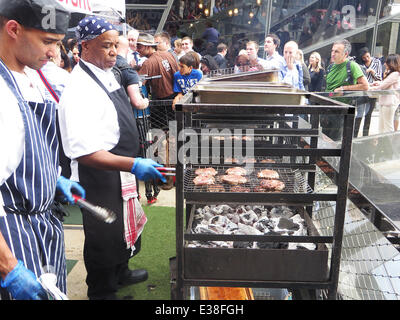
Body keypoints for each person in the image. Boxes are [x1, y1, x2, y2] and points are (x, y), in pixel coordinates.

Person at [58, 16, 166, 300]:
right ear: (85, 47)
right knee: (104, 237)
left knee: (125, 226)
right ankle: (103, 292)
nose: (114, 51)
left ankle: (121, 272)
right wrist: (133, 164)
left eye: (115, 45)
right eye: (106, 46)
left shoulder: (108, 72)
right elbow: (85, 152)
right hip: (98, 176)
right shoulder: (80, 88)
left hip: (121, 167)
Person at [0, 0, 86, 300]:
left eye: (59, 44)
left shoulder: (35, 78)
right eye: (48, 42)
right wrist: (8, 266)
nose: (55, 54)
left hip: (44, 222)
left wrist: (52, 181)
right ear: (13, 29)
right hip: (10, 231)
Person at [323, 39, 369, 141]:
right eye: (332, 50)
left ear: (345, 54)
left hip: (342, 112)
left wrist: (344, 88)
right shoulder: (330, 67)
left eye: (336, 51)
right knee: (325, 140)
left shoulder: (352, 66)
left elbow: (365, 86)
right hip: (327, 110)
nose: (333, 54)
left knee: (336, 143)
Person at [115, 36, 149, 110]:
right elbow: (138, 103)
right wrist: (145, 101)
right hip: (122, 113)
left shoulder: (103, 66)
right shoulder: (128, 70)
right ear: (127, 50)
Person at [370, 54, 400, 134]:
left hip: (389, 103)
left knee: (387, 127)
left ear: (391, 63)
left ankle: (387, 145)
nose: (384, 64)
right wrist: (378, 83)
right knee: (382, 126)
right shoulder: (393, 74)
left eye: (386, 62)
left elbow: (383, 86)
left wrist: (369, 88)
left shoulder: (395, 74)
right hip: (385, 103)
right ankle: (383, 144)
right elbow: (384, 84)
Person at [358, 47, 383, 136]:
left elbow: (380, 78)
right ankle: (354, 135)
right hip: (362, 91)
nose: (366, 59)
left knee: (368, 114)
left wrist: (372, 71)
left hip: (372, 91)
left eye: (367, 56)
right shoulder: (360, 64)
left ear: (369, 54)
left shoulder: (377, 62)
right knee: (359, 114)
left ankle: (365, 135)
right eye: (364, 58)